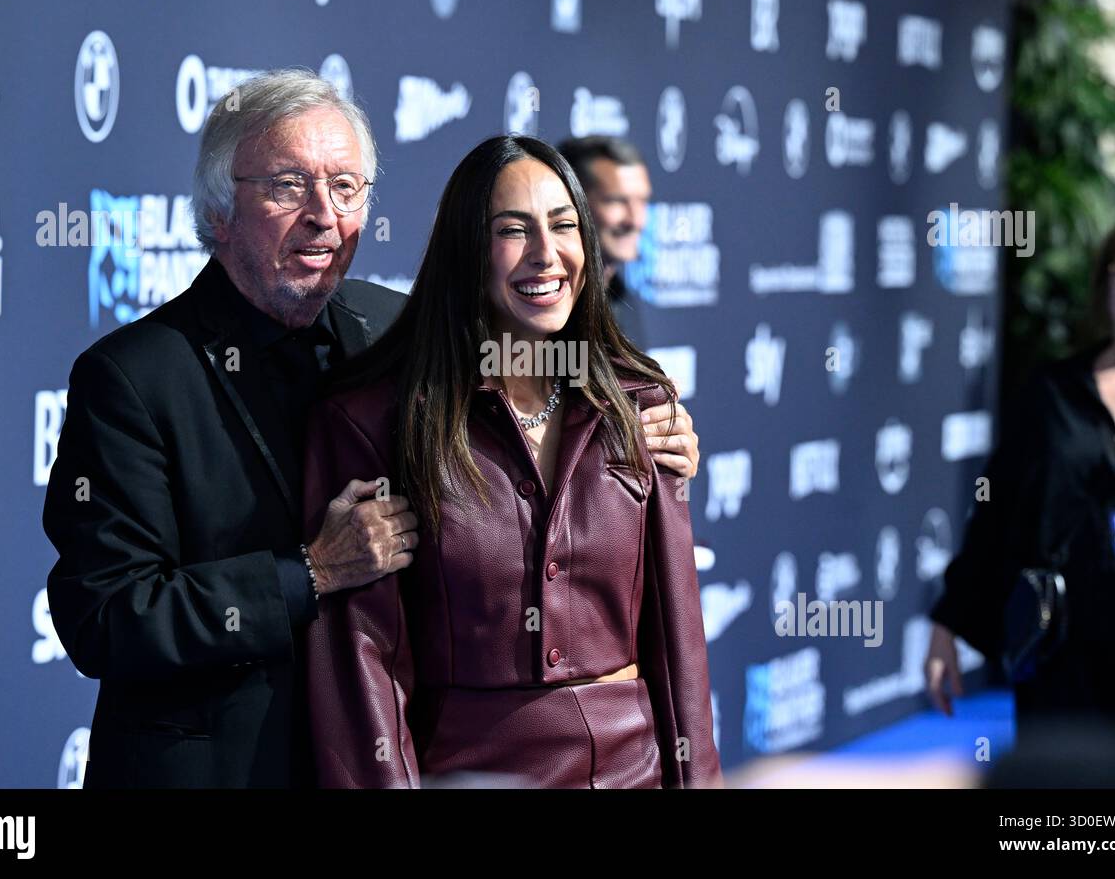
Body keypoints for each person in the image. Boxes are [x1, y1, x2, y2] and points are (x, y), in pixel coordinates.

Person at [43, 69, 702, 787]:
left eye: (346, 188)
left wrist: (646, 426)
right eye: (288, 186)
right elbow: (104, 614)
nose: (323, 214)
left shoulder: (398, 328)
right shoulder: (132, 378)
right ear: (220, 209)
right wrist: (310, 572)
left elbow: (541, 368)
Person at [302, 135, 721, 788]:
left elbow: (679, 646)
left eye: (563, 226)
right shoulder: (375, 421)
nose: (546, 255)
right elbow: (363, 665)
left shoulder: (641, 405)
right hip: (470, 773)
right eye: (513, 230)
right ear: (467, 251)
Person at [924, 209, 1115, 735]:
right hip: (1063, 658)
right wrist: (949, 622)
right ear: (1105, 285)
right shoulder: (1051, 393)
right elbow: (994, 510)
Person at [557, 136, 652, 347]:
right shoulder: (547, 311)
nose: (635, 220)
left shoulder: (622, 299)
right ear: (572, 202)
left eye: (642, 201)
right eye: (617, 201)